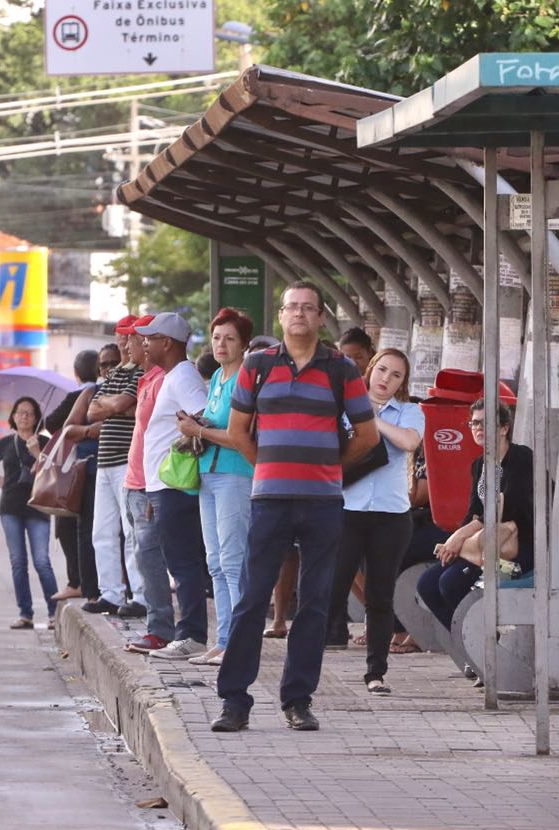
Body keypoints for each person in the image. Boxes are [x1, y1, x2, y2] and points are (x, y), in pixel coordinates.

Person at [212, 282, 379, 734]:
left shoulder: (341, 369)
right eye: (292, 307)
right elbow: (239, 431)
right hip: (269, 500)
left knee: (315, 603)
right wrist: (269, 466)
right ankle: (234, 702)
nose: (300, 314)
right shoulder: (257, 366)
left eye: (309, 308)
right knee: (251, 600)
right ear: (280, 317)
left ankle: (298, 700)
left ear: (321, 317)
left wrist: (327, 468)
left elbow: (368, 436)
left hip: (323, 502)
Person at [325, 349, 424, 695]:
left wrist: (373, 419)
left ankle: (376, 672)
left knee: (380, 596)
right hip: (348, 510)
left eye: (395, 375)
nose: (386, 379)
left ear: (402, 382)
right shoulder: (345, 405)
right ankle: (307, 659)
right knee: (332, 588)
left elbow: (409, 441)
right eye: (382, 370)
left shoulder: (410, 411)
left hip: (391, 516)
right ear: (369, 370)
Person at [176, 308, 253, 666]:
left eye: (230, 338)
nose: (221, 344)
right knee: (215, 562)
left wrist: (200, 431)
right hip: (208, 473)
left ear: (244, 344)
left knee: (233, 560)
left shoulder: (244, 381)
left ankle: (238, 640)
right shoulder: (218, 380)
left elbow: (243, 437)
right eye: (217, 337)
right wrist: (199, 424)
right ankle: (224, 639)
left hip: (236, 474)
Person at [416, 399, 534, 631]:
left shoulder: (521, 457)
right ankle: (468, 646)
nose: (478, 428)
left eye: (484, 423)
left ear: (503, 428)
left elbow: (511, 508)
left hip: (521, 545)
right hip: (486, 543)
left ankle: (489, 644)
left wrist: (460, 536)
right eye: (473, 423)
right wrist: (461, 537)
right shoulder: (479, 464)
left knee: (450, 583)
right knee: (427, 584)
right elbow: (473, 512)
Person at [136, 312, 209, 662]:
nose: (144, 344)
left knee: (184, 562)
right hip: (163, 487)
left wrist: (190, 433)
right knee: (178, 560)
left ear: (167, 343)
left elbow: (205, 414)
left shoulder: (183, 377)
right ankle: (188, 632)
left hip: (177, 486)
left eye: (150, 338)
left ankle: (192, 635)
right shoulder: (171, 376)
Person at [115, 316, 178, 653]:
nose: (130, 345)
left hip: (150, 486)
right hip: (134, 481)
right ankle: (161, 627)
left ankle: (161, 629)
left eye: (137, 340)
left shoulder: (167, 380)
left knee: (152, 558)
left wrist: (156, 486)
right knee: (144, 557)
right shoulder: (146, 379)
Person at [0, 396, 60, 630]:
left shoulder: (44, 443)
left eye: (29, 413)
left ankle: (54, 613)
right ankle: (26, 614)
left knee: (42, 561)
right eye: (20, 412)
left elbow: (55, 472)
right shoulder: (5, 443)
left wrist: (36, 453)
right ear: (13, 416)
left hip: (39, 507)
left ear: (36, 418)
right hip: (10, 507)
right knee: (18, 562)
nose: (24, 416)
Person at [84, 316, 147, 617]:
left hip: (125, 459)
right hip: (105, 461)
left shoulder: (141, 372)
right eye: (120, 335)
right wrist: (116, 405)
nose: (123, 341)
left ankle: (141, 595)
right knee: (102, 532)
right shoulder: (115, 373)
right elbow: (91, 410)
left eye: (128, 335)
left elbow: (124, 406)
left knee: (131, 530)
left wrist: (114, 406)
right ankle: (110, 593)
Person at [43, 350, 100, 601]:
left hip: (79, 469)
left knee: (71, 525)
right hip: (99, 466)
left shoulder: (81, 395)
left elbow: (53, 423)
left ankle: (78, 581)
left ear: (76, 374)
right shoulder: (102, 392)